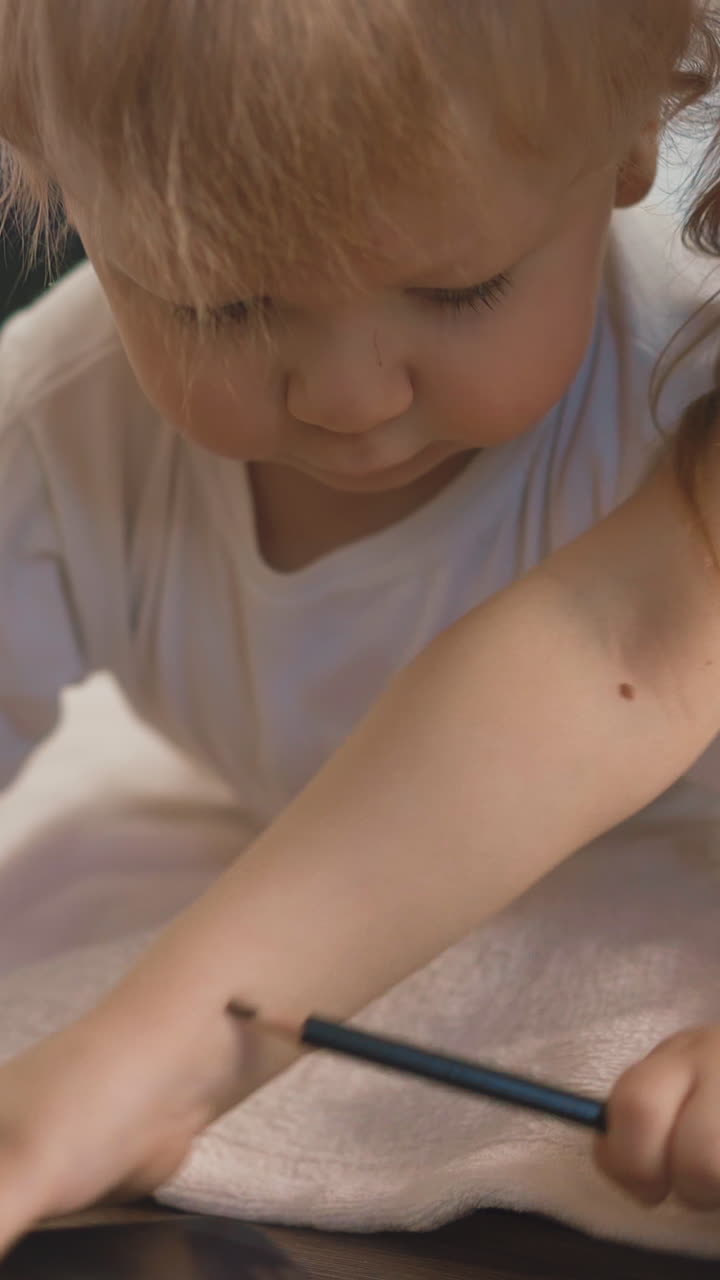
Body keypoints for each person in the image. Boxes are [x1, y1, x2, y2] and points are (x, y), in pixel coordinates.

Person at [0, 0, 719, 1252]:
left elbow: (633, 644)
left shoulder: (674, 390)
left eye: (458, 289)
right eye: (217, 306)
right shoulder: (60, 431)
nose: (348, 397)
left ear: (639, 128)